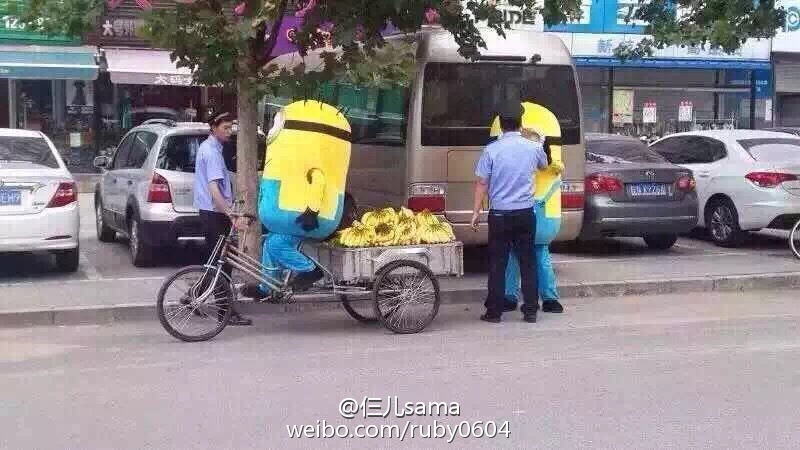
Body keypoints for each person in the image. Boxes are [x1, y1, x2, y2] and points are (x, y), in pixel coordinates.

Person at [471, 103, 549, 323]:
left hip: (499, 216)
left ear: (501, 125)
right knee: (528, 262)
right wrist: (538, 142)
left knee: (498, 263)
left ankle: (494, 312)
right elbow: (544, 166)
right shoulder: (533, 148)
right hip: (525, 213)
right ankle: (531, 311)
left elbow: (482, 183)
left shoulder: (491, 150)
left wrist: (476, 212)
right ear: (520, 124)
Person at [194, 112, 252, 326]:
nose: (230, 132)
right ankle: (225, 313)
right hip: (215, 214)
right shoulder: (212, 153)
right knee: (223, 263)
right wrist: (230, 213)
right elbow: (214, 189)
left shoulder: (210, 148)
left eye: (231, 127)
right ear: (213, 127)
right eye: (225, 128)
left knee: (215, 261)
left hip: (210, 212)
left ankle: (194, 296)